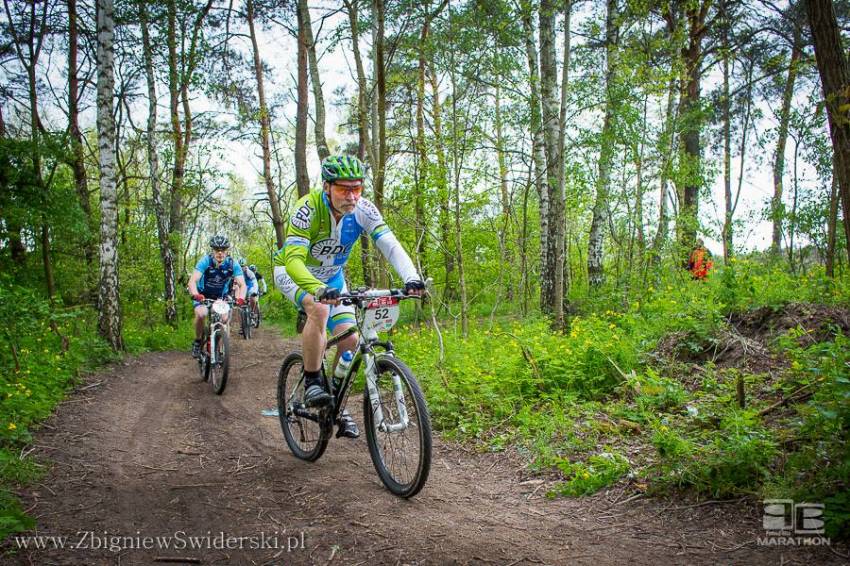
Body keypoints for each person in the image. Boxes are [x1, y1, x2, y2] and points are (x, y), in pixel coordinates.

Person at [273, 154, 425, 439]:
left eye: (357, 188)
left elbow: (389, 245)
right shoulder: (307, 209)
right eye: (344, 189)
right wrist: (316, 289)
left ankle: (336, 403)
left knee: (351, 340)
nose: (352, 195)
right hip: (294, 272)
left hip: (333, 277)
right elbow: (293, 261)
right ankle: (312, 381)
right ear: (327, 187)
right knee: (318, 310)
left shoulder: (364, 209)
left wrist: (411, 278)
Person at [188, 235, 247, 358]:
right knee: (201, 313)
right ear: (212, 251)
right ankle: (198, 341)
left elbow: (242, 285)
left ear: (227, 251)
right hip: (202, 295)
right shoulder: (206, 261)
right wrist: (195, 294)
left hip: (220, 296)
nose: (220, 253)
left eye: (223, 250)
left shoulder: (232, 264)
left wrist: (241, 298)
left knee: (224, 319)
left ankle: (220, 350)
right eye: (216, 250)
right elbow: (192, 281)